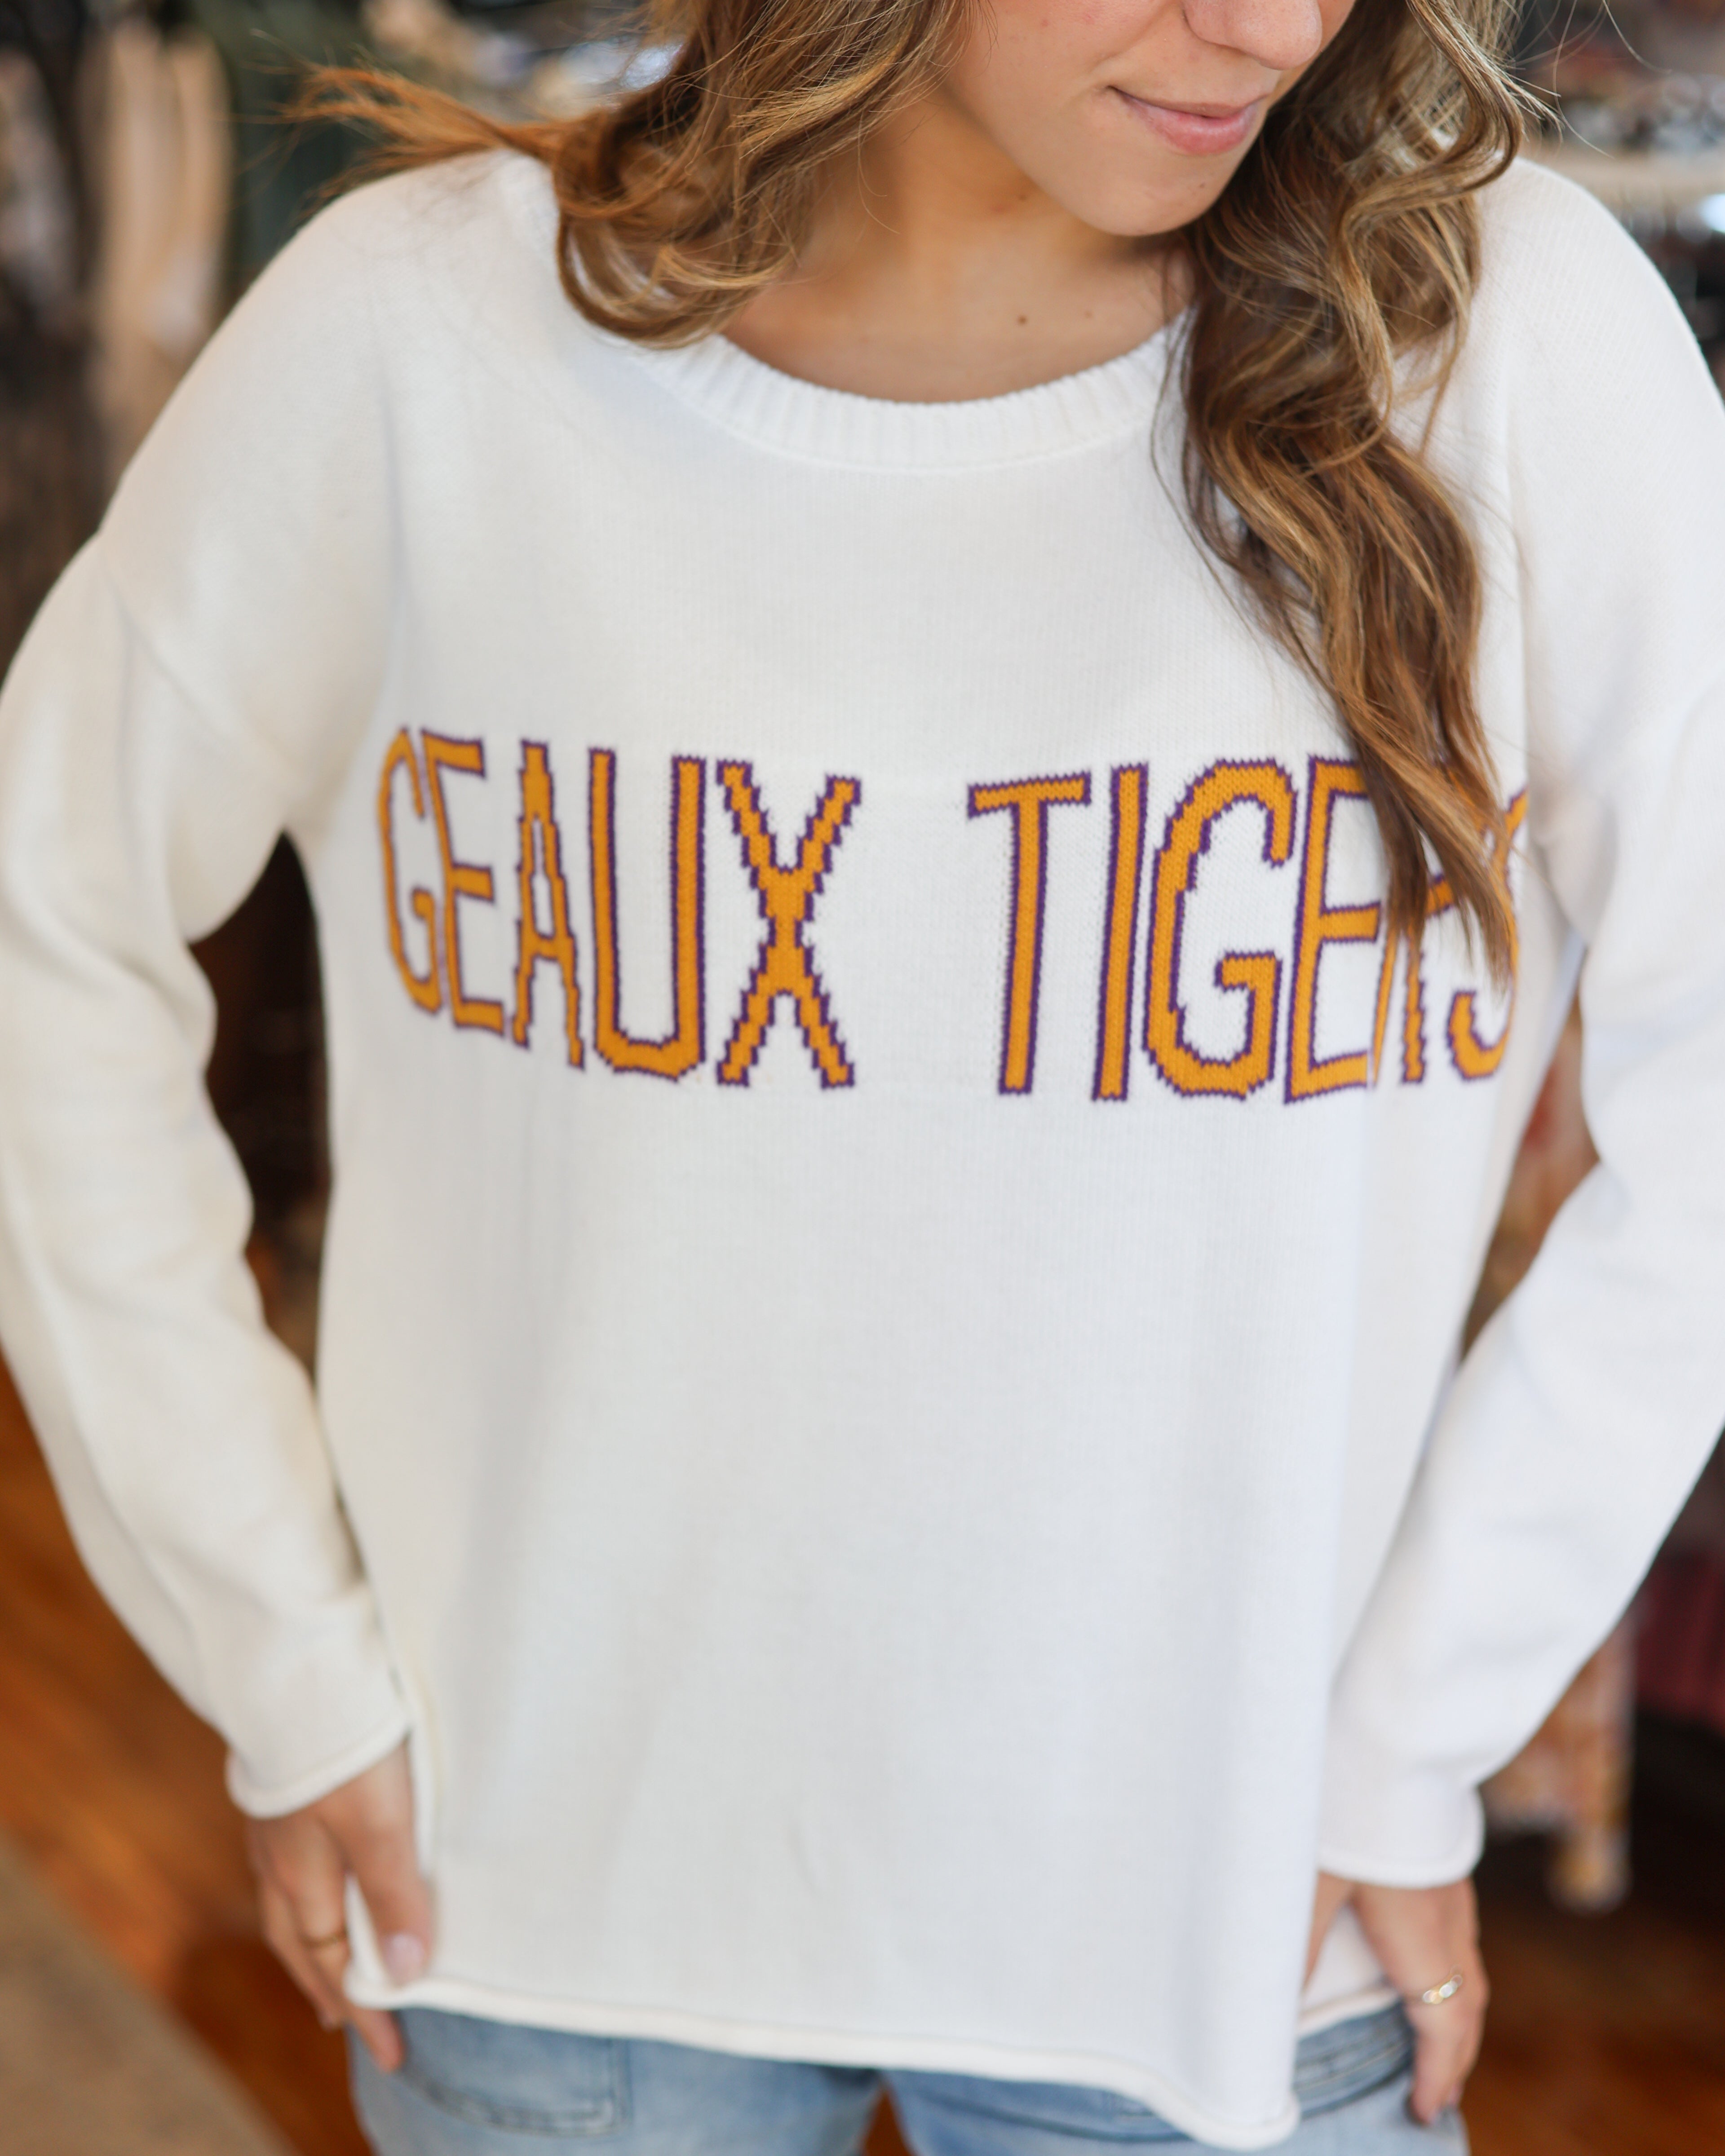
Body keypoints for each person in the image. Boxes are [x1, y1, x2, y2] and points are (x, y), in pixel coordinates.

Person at [1, 0, 1723, 2140]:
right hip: (547, 1906)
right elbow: (47, 926)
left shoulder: (1507, 346)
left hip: (1226, 1930)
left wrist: (1418, 1728)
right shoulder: (419, 342)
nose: (1274, 26)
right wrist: (274, 1647)